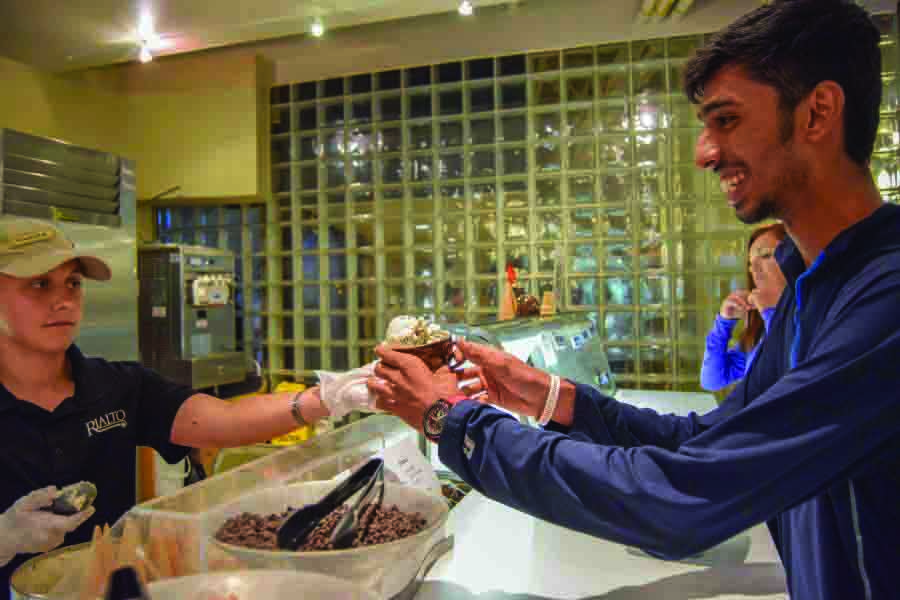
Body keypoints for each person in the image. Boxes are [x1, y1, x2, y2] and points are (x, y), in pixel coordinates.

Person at [368, 1, 900, 598]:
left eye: (725, 119)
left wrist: (454, 422)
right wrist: (549, 396)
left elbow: (685, 498)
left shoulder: (886, 296)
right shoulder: (809, 289)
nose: (704, 152)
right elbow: (705, 441)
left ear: (818, 113)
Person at [0, 218, 362, 597]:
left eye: (73, 283)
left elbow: (223, 420)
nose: (64, 300)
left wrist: (330, 397)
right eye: (39, 284)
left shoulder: (117, 387)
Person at [700, 223, 787, 390]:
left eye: (766, 255)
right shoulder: (759, 329)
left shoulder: (812, 314)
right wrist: (724, 323)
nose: (754, 269)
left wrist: (771, 313)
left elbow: (781, 371)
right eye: (750, 263)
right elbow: (713, 380)